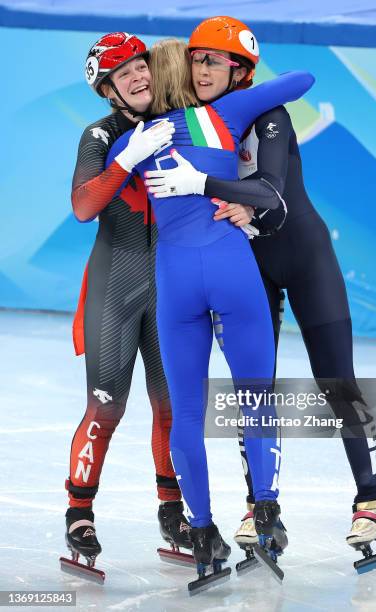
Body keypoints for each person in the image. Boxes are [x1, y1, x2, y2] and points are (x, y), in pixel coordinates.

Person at [145, 16, 376, 573]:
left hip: (303, 256)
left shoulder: (266, 115)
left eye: (214, 60)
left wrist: (212, 188)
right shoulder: (194, 121)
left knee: (337, 382)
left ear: (240, 70)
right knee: (252, 390)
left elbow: (272, 196)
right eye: (196, 59)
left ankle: (371, 502)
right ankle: (262, 507)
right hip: (248, 267)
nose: (202, 68)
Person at [106, 35, 314, 588]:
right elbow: (301, 82)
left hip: (174, 281)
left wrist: (130, 151)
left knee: (188, 414)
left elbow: (98, 201)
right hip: (230, 267)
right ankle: (265, 513)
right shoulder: (222, 115)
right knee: (255, 398)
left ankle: (202, 535)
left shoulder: (134, 140)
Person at [62, 32, 191, 580]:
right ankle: (79, 514)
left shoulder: (179, 120)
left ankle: (172, 512)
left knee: (169, 407)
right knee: (107, 406)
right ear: (109, 90)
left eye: (141, 66)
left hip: (167, 288)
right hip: (116, 288)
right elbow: (83, 206)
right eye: (125, 74)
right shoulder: (100, 134)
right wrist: (128, 158)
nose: (139, 76)